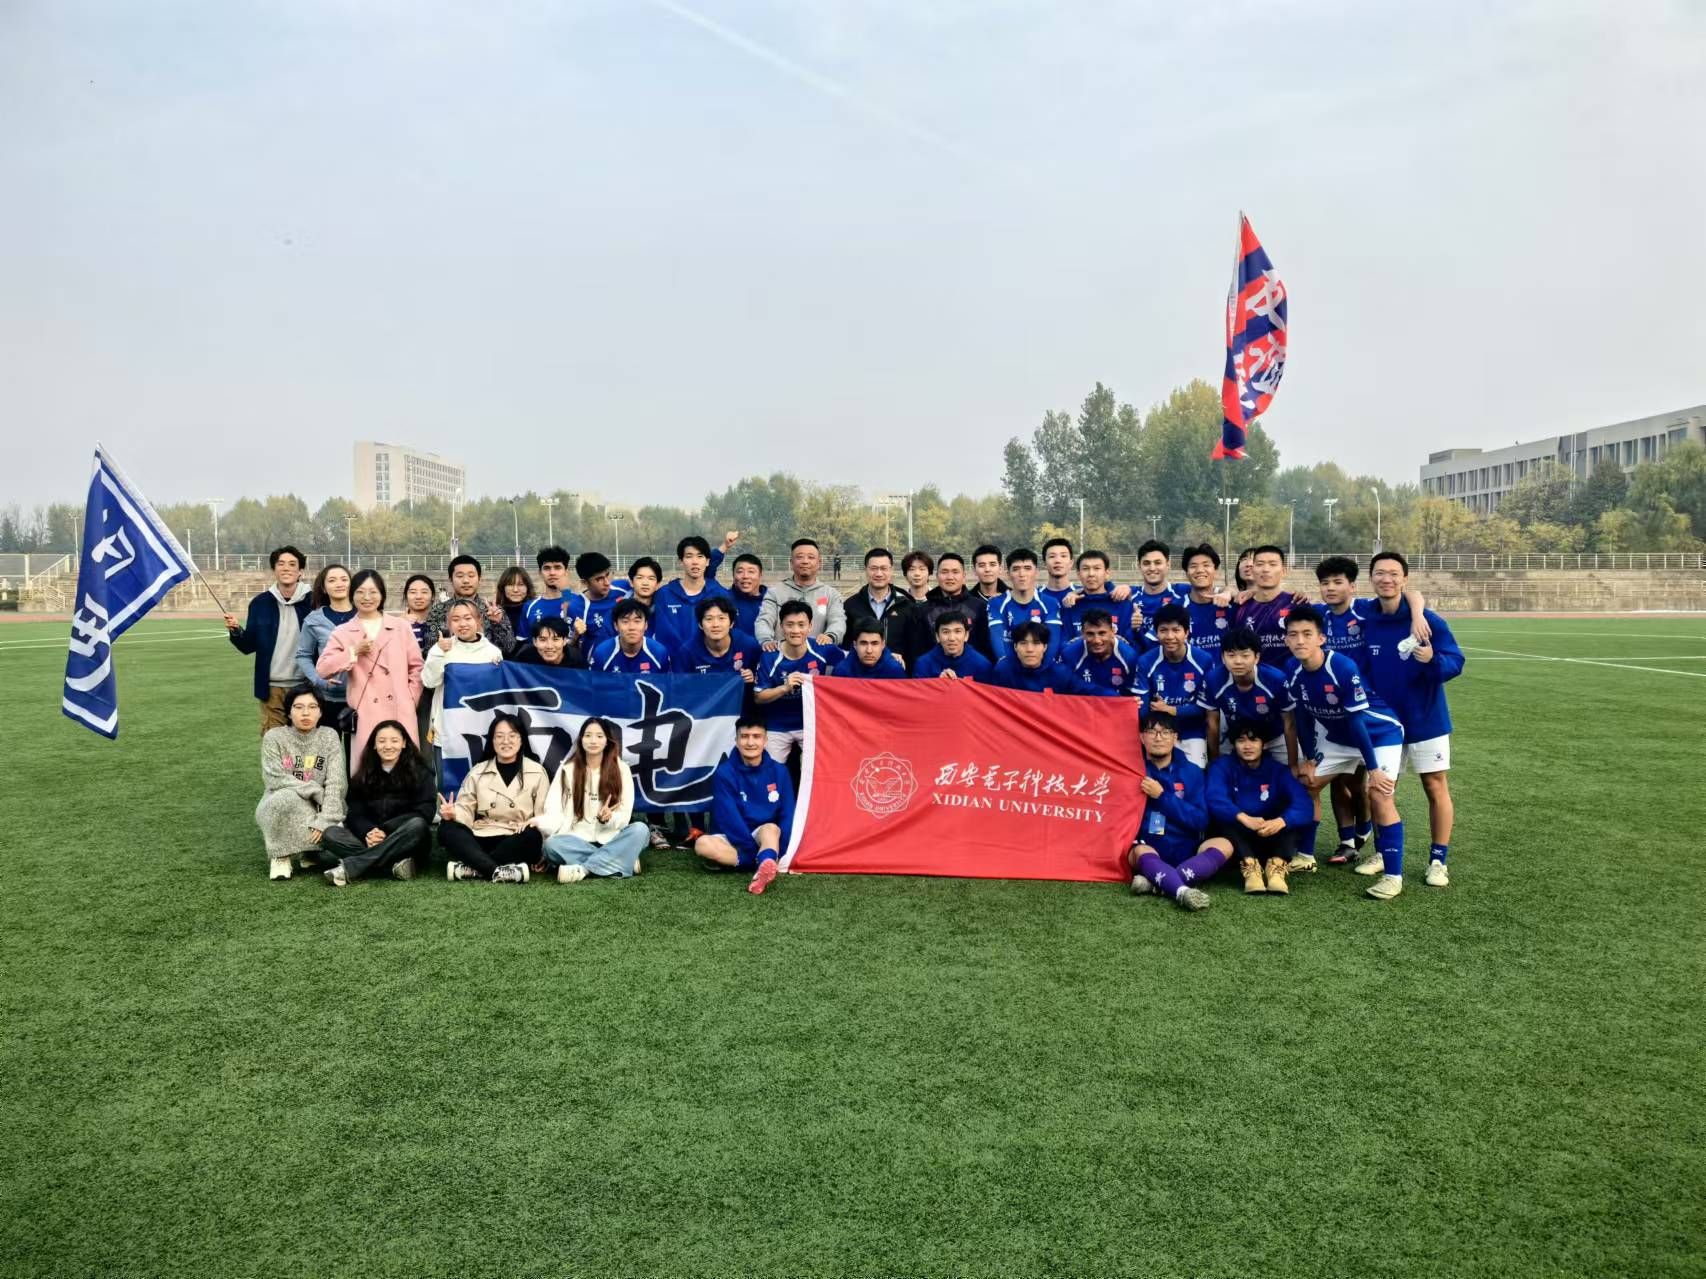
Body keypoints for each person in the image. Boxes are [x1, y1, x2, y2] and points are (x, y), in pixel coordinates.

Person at [1282, 605, 1408, 901]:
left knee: (1380, 794)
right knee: (1308, 783)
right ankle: (1305, 855)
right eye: (1293, 635)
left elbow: (1356, 721)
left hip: (1379, 735)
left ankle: (1393, 877)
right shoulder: (1292, 669)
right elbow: (1302, 715)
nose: (1299, 640)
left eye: (1307, 634)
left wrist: (1373, 769)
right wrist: (1309, 757)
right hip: (1339, 738)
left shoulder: (1341, 667)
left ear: (1321, 638)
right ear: (1286, 640)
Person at [1361, 551, 1465, 889]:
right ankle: (1382, 852)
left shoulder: (1427, 621)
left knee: (1435, 786)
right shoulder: (1365, 615)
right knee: (1379, 789)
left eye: (1394, 573)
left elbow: (1456, 661)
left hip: (1425, 718)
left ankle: (1438, 861)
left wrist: (1433, 659)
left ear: (1404, 579)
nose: (1386, 579)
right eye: (1380, 573)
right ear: (1371, 578)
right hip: (1384, 724)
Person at [316, 569, 425, 770]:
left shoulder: (400, 627)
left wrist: (410, 698)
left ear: (382, 595)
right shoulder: (343, 631)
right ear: (352, 595)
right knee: (368, 771)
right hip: (366, 711)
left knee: (405, 770)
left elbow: (416, 667)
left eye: (373, 592)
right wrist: (353, 652)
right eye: (360, 592)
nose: (367, 598)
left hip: (400, 709)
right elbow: (323, 669)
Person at [1126, 713, 1230, 912]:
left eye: (1165, 732)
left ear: (1175, 738)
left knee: (1224, 844)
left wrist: (1162, 796)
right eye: (1151, 732)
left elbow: (1200, 821)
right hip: (1149, 848)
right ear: (1141, 737)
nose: (1158, 738)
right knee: (1140, 851)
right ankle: (1181, 891)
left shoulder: (1192, 772)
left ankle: (1159, 883)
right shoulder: (1131, 771)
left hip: (1186, 851)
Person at [318, 720, 435, 886]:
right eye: (381, 741)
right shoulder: (363, 775)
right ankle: (393, 866)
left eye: (394, 741)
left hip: (404, 839)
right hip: (370, 838)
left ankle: (354, 865)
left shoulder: (421, 773)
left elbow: (426, 811)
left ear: (404, 743)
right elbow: (355, 813)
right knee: (330, 833)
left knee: (417, 825)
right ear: (374, 745)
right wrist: (368, 831)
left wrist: (386, 831)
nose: (388, 746)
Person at [533, 717, 649, 882]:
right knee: (551, 846)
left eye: (599, 736)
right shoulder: (567, 769)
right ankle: (621, 860)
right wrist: (538, 822)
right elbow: (553, 808)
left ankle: (584, 869)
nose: (593, 741)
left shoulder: (622, 769)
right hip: (575, 840)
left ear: (607, 741)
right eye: (588, 735)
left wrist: (609, 818)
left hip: (610, 838)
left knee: (641, 830)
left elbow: (624, 816)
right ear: (581, 740)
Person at [1207, 720, 1314, 896]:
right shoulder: (1222, 766)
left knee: (1292, 820)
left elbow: (1304, 804)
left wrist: (1280, 822)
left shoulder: (1278, 770)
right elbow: (1214, 798)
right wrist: (1243, 818)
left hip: (1268, 833)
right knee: (1222, 819)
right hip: (1237, 840)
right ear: (1234, 744)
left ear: (1264, 745)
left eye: (1253, 740)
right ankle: (1250, 867)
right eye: (1241, 740)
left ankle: (1276, 867)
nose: (1247, 746)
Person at [439, 712, 548, 883]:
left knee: (533, 836)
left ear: (521, 740)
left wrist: (534, 828)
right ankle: (496, 870)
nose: (506, 741)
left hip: (516, 836)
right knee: (447, 828)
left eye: (512, 736)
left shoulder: (537, 772)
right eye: (500, 736)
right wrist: (454, 814)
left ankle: (475, 868)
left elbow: (543, 815)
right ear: (492, 740)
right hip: (483, 834)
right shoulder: (478, 771)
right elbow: (466, 808)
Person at [693, 717, 796, 895]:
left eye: (756, 736)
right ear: (736, 740)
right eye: (744, 736)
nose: (750, 742)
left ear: (765, 740)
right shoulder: (724, 772)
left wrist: (783, 849)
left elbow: (788, 813)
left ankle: (764, 859)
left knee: (771, 829)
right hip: (734, 838)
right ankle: (763, 860)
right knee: (702, 844)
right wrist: (751, 850)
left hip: (764, 834)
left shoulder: (780, 771)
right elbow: (729, 818)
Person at [256, 685, 347, 880]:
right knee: (287, 798)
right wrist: (313, 789)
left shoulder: (329, 735)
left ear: (321, 712)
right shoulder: (274, 737)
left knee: (339, 837)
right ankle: (281, 856)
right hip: (281, 803)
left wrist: (326, 818)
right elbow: (274, 778)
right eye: (298, 707)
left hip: (319, 805)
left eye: (312, 707)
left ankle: (310, 852)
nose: (306, 713)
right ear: (289, 712)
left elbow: (336, 782)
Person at [224, 545, 312, 734]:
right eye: (281, 564)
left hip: (305, 687)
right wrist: (236, 630)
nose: (286, 568)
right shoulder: (260, 603)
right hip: (271, 689)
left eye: (292, 564)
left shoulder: (314, 602)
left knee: (304, 742)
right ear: (274, 569)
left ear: (300, 571)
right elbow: (248, 645)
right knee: (274, 743)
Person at [755, 600, 844, 763]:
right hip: (777, 725)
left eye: (801, 625)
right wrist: (784, 688)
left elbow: (856, 658)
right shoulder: (769, 655)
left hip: (812, 723)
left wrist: (888, 655)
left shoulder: (822, 649)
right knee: (769, 769)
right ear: (781, 627)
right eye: (790, 625)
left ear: (810, 626)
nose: (796, 631)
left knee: (825, 765)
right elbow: (759, 697)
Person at [1139, 603, 1219, 768]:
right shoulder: (1145, 661)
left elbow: (1204, 708)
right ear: (1156, 633)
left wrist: (1172, 710)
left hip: (1192, 731)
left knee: (1195, 774)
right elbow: (1142, 709)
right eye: (1163, 630)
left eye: (1176, 630)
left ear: (1187, 632)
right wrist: (1157, 730)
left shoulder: (1203, 660)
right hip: (1159, 732)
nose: (1170, 636)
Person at [420, 599, 505, 751]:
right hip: (447, 728)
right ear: (449, 624)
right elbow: (429, 682)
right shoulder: (441, 648)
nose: (462, 624)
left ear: (478, 620)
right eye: (456, 619)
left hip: (481, 728)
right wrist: (438, 652)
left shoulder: (493, 652)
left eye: (468, 618)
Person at [1200, 627, 1294, 765]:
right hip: (1236, 739)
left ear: (1257, 657)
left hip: (1274, 738)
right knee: (1222, 773)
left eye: (1245, 655)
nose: (1238, 661)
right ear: (1223, 658)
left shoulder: (1277, 679)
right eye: (1231, 655)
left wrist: (1293, 765)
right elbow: (1212, 723)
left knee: (1294, 776)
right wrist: (1215, 760)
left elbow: (1289, 723)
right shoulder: (1213, 679)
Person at [295, 563, 355, 734]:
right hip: (326, 700)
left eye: (344, 579)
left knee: (358, 752)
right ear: (323, 587)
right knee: (326, 749)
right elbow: (303, 655)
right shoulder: (314, 619)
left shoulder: (365, 616)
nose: (339, 584)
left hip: (360, 699)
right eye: (332, 580)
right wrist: (318, 680)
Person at [756, 538, 846, 649]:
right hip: (782, 655)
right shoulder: (775, 592)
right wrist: (766, 640)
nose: (805, 561)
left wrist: (830, 636)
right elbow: (764, 620)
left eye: (811, 557)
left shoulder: (831, 594)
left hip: (818, 656)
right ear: (791, 562)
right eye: (799, 557)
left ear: (819, 563)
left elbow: (838, 621)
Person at [652, 535, 732, 654]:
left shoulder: (720, 594)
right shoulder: (664, 594)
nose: (695, 562)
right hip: (674, 663)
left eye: (700, 556)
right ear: (681, 562)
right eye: (689, 556)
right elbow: (662, 634)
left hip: (710, 662)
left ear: (707, 561)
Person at [909, 553, 992, 664]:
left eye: (955, 572)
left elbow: (986, 647)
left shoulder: (980, 607)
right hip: (934, 671)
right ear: (937, 576)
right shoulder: (922, 610)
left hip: (971, 670)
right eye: (944, 572)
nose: (950, 577)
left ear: (964, 576)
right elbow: (917, 650)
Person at [1231, 545, 1308, 663]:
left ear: (1284, 571)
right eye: (1260, 564)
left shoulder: (1297, 603)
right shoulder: (1240, 607)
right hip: (1253, 673)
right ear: (1252, 570)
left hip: (1290, 673)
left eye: (1272, 564)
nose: (1266, 569)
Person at [987, 548, 1064, 662]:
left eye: (1027, 568)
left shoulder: (1050, 603)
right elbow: (998, 641)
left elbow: (1053, 642)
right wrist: (1010, 667)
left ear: (1036, 572)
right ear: (1008, 574)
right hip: (1010, 668)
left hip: (1042, 667)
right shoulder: (996, 603)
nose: (1022, 574)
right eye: (1016, 569)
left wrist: (1040, 668)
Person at [844, 547, 917, 663]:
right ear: (866, 570)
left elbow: (914, 646)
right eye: (874, 568)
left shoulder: (907, 605)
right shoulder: (850, 605)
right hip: (860, 672)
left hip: (896, 671)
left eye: (883, 568)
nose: (879, 574)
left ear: (891, 570)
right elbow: (846, 645)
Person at [1058, 610, 1145, 697]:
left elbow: (1133, 696)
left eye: (1102, 633)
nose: (1097, 640)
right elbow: (1064, 692)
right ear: (1082, 633)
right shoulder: (1070, 655)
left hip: (1115, 703)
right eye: (1090, 634)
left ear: (1112, 631)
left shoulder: (1129, 657)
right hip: (1083, 703)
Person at [674, 596, 760, 680]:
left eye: (721, 618)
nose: (715, 625)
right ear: (700, 625)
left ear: (731, 623)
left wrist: (751, 679)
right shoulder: (687, 652)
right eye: (709, 619)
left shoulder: (748, 645)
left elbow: (759, 681)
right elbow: (681, 686)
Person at [1060, 550, 1135, 641]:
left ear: (1107, 573)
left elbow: (1129, 643)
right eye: (1085, 569)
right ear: (1078, 574)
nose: (1091, 574)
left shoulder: (1122, 604)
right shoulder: (1070, 604)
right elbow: (1065, 644)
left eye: (1097, 568)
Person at [1131, 540, 1193, 647]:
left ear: (1168, 564)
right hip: (1138, 656)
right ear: (1139, 566)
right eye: (1146, 563)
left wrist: (1225, 592)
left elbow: (1208, 591)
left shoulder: (1182, 592)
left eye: (1158, 563)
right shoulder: (1129, 594)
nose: (1152, 568)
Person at [589, 598, 674, 674]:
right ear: (616, 626)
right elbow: (593, 685)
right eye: (625, 621)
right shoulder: (602, 653)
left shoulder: (659, 653)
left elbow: (667, 685)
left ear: (646, 625)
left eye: (637, 621)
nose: (632, 627)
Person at [990, 620, 1074, 693]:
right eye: (1023, 643)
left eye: (1036, 643)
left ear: (1045, 647)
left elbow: (1081, 698)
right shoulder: (1003, 670)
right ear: (1015, 647)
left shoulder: (1061, 674)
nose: (1029, 649)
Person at [1180, 545, 1233, 659]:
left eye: (1206, 565)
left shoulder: (1231, 603)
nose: (1200, 570)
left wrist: (1229, 591)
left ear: (1216, 571)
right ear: (1186, 573)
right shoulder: (1177, 608)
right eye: (1193, 566)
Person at [569, 551, 630, 646]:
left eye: (607, 575)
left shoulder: (624, 588)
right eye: (599, 579)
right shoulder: (577, 607)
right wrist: (575, 636)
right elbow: (571, 647)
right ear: (584, 583)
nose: (607, 582)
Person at [912, 611, 993, 682]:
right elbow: (919, 694)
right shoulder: (923, 664)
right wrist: (938, 683)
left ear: (966, 635)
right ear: (937, 636)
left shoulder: (982, 665)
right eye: (946, 632)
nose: (951, 638)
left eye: (957, 631)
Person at [522, 547, 579, 642]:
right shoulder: (529, 607)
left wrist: (566, 593)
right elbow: (523, 643)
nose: (552, 573)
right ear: (540, 573)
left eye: (557, 567)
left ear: (566, 571)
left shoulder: (580, 602)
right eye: (547, 568)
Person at [831, 620, 909, 679]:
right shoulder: (842, 671)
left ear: (883, 645)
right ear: (855, 645)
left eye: (874, 644)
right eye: (863, 643)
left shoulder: (894, 671)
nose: (869, 650)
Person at [513, 614, 585, 668]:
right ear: (534, 641)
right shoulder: (524, 657)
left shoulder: (576, 661)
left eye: (555, 639)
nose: (549, 646)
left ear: (564, 641)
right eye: (543, 640)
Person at [725, 552, 769, 636]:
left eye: (751, 572)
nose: (745, 576)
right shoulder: (725, 599)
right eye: (740, 571)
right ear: (733, 575)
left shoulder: (772, 599)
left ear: (760, 575)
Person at [495, 566, 535, 649]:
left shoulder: (536, 610)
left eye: (521, 585)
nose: (515, 590)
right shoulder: (494, 613)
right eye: (510, 584)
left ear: (528, 587)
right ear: (503, 588)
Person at [402, 574, 437, 655]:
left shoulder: (440, 623)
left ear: (432, 596)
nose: (418, 597)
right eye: (413, 592)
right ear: (406, 596)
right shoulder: (397, 625)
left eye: (424, 592)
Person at [1040, 537, 1077, 610]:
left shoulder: (1080, 594)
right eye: (1052, 556)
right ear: (1044, 563)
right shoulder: (1035, 596)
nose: (1058, 560)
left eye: (1063, 556)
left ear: (1071, 563)